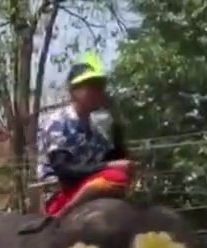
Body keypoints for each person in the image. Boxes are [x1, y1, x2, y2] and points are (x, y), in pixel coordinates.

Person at [23, 51, 131, 233]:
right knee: (115, 175)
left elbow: (116, 159)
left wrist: (117, 122)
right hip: (61, 192)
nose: (99, 92)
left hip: (86, 187)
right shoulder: (59, 121)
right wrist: (109, 166)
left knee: (123, 173)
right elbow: (64, 170)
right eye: (92, 86)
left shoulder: (95, 129)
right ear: (74, 91)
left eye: (101, 86)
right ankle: (63, 213)